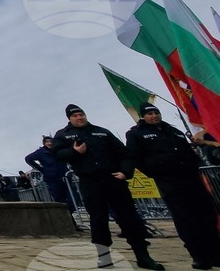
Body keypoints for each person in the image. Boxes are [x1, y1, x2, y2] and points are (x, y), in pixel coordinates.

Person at [52, 104, 164, 270]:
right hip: (90, 181)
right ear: (69, 118)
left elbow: (124, 153)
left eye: (81, 114)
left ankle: (143, 256)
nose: (79, 117)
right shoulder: (63, 135)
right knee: (98, 220)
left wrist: (125, 172)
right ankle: (104, 257)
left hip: (113, 179)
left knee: (129, 218)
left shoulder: (102, 132)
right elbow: (57, 155)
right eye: (75, 116)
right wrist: (74, 152)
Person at [126, 102, 220, 269]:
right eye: (150, 113)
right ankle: (198, 255)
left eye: (156, 112)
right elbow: (135, 158)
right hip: (170, 182)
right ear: (143, 116)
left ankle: (215, 253)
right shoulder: (137, 134)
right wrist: (156, 172)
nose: (154, 116)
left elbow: (187, 151)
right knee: (185, 218)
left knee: (206, 215)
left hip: (192, 179)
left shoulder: (173, 130)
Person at [25, 136, 74, 208]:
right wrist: (41, 169)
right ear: (44, 143)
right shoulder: (41, 152)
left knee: (72, 198)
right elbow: (28, 159)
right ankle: (65, 216)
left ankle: (71, 212)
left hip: (65, 176)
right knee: (59, 200)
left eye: (51, 141)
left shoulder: (57, 150)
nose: (49, 143)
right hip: (52, 178)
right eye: (47, 142)